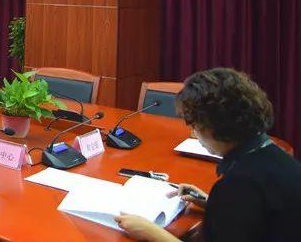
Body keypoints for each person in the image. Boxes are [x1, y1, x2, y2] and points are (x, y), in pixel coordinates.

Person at [116, 68, 301, 242]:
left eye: (195, 126)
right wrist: (212, 203)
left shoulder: (238, 184)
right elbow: (258, 215)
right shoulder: (275, 155)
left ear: (217, 126)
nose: (193, 133)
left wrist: (151, 232)